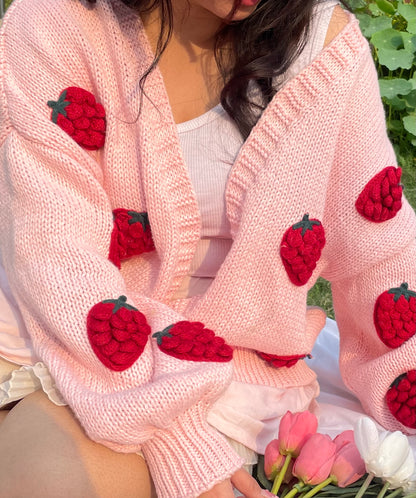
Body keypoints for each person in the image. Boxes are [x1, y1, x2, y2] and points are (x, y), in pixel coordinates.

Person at [0, 0, 414, 496]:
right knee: (52, 480)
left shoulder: (326, 51)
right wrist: (175, 437)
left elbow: (382, 258)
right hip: (56, 332)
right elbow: (59, 257)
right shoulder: (53, 23)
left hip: (228, 366)